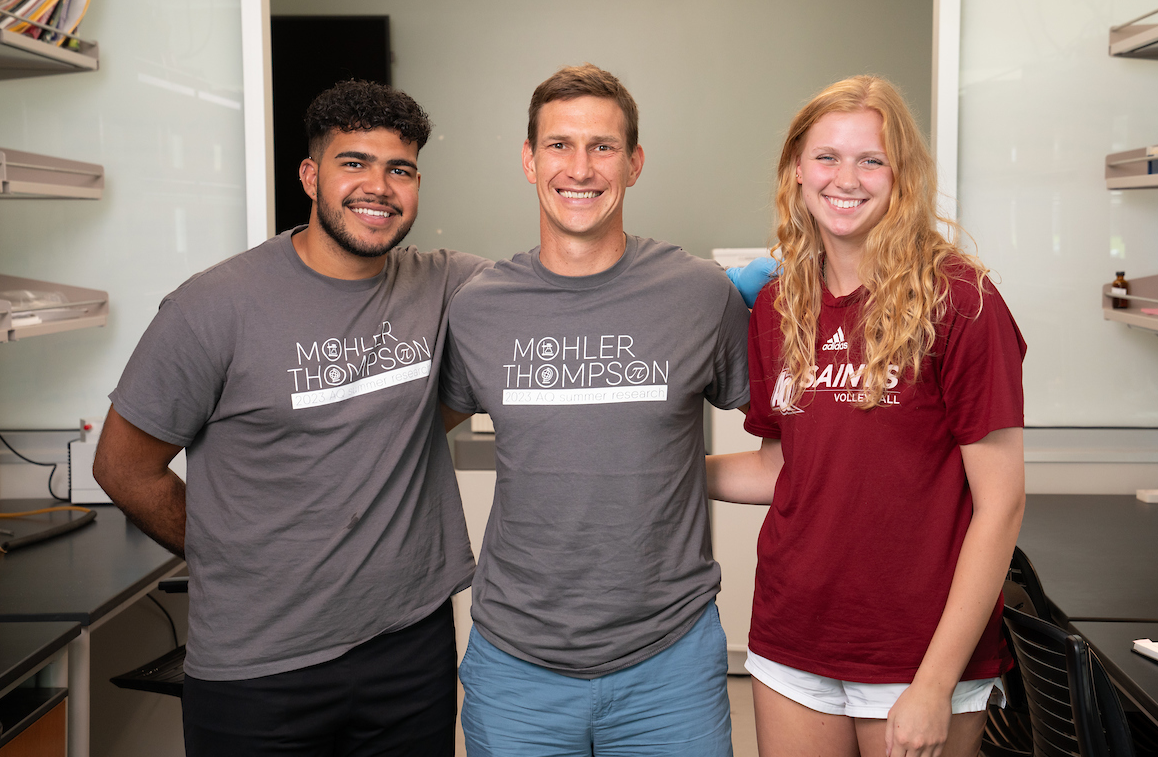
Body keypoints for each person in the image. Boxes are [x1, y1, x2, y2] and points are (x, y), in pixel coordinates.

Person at [93, 80, 490, 756]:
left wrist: (733, 287)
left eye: (400, 169)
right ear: (310, 175)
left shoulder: (447, 284)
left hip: (409, 648)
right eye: (353, 163)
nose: (379, 187)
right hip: (259, 668)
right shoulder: (213, 308)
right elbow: (125, 468)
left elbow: (567, 291)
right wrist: (229, 555)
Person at [706, 75, 1026, 757]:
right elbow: (782, 469)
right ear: (797, 169)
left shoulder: (962, 302)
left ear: (901, 174)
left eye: (870, 159)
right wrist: (657, 466)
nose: (845, 179)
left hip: (917, 653)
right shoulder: (778, 306)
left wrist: (935, 683)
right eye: (827, 157)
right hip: (794, 640)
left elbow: (1001, 506)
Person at [439, 64, 750, 757]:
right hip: (516, 666)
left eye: (603, 147)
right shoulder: (480, 306)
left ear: (634, 163)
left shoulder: (700, 294)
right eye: (559, 145)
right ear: (529, 160)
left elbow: (809, 438)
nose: (580, 168)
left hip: (670, 664)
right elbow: (406, 439)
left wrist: (673, 474)